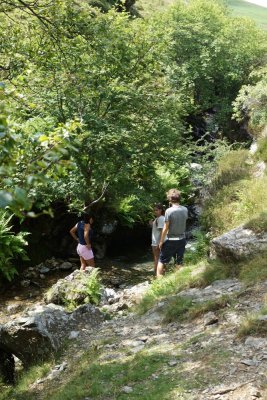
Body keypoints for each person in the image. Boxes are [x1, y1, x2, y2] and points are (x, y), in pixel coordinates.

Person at [157, 189, 188, 278]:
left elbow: (166, 228)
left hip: (170, 240)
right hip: (182, 240)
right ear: (179, 198)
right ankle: (179, 281)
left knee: (162, 261)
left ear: (170, 199)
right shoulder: (185, 209)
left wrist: (161, 241)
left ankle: (158, 283)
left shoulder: (169, 211)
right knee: (179, 262)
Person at [150, 203, 165, 275]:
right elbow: (157, 229)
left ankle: (157, 274)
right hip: (155, 241)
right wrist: (151, 224)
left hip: (157, 242)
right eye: (154, 210)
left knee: (157, 258)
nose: (155, 211)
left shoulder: (161, 218)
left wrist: (159, 242)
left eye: (157, 210)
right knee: (157, 258)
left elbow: (162, 231)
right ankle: (158, 273)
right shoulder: (157, 218)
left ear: (161, 210)